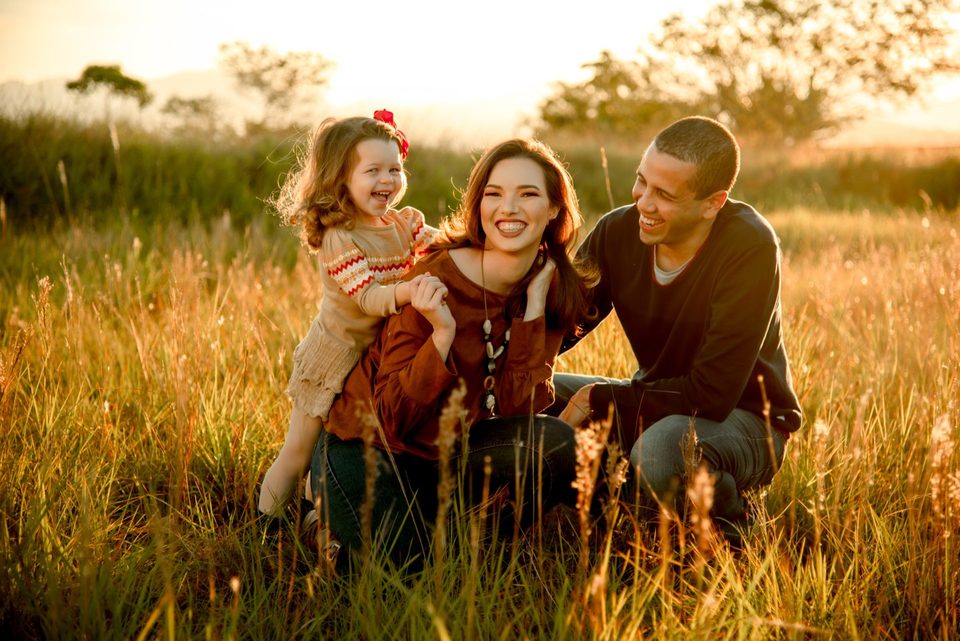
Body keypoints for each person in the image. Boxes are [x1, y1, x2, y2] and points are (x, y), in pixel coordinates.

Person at [309, 138, 592, 569]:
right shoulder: (435, 277)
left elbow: (520, 409)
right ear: (478, 206)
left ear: (554, 209)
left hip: (451, 451)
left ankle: (460, 537)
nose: (508, 208)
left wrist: (533, 312)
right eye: (494, 194)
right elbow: (388, 419)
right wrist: (442, 335)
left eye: (528, 194)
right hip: (368, 445)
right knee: (413, 569)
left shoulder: (549, 284)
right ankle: (320, 524)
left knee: (553, 444)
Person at [556, 116, 802, 543]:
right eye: (641, 181)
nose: (643, 203)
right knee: (544, 391)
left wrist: (598, 398)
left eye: (664, 195)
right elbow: (558, 329)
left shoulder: (749, 247)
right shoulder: (618, 231)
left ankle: (733, 532)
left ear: (713, 203)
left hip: (744, 421)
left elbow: (712, 394)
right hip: (660, 401)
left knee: (660, 449)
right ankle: (606, 517)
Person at [258, 111, 438, 522]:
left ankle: (316, 514)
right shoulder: (341, 236)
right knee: (301, 448)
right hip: (334, 357)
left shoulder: (401, 222)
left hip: (374, 360)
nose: (387, 180)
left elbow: (442, 248)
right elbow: (369, 299)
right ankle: (266, 525)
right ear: (342, 179)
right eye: (373, 170)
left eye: (394, 169)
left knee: (334, 446)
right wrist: (410, 291)